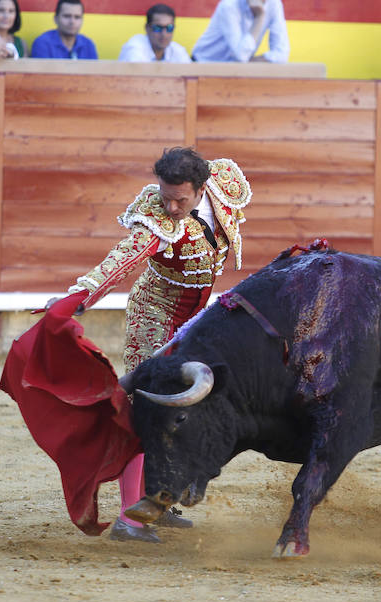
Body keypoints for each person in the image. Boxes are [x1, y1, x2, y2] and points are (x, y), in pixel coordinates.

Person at [55, 147, 251, 542]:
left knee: (193, 407)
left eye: (181, 199)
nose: (172, 207)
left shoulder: (224, 182)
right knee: (145, 409)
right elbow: (122, 260)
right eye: (166, 197)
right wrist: (75, 300)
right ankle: (130, 519)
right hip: (155, 314)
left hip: (196, 319)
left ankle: (157, 500)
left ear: (202, 189)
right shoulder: (156, 217)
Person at [191, 0, 289, 63]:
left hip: (235, 70)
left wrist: (252, 61)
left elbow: (282, 53)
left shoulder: (274, 5)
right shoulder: (229, 5)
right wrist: (259, 18)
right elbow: (241, 55)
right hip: (203, 65)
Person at [118, 3, 191, 63]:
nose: (164, 34)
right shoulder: (135, 47)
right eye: (158, 28)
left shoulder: (177, 50)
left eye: (169, 28)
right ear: (147, 28)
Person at [30, 0, 98, 59]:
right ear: (55, 19)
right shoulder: (43, 44)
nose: (72, 22)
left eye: (77, 17)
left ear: (82, 20)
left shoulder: (88, 45)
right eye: (67, 16)